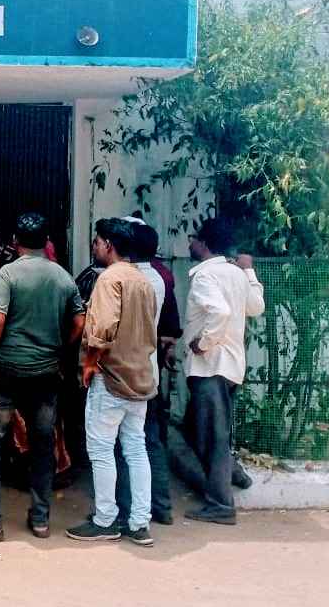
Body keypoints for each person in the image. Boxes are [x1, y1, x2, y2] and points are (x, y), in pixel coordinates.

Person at [0, 211, 84, 541]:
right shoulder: (62, 277)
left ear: (15, 242)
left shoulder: (8, 273)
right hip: (45, 372)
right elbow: (79, 322)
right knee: (43, 444)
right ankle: (40, 519)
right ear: (47, 241)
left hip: (6, 371)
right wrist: (60, 347)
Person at [66, 218, 158, 547]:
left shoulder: (109, 279)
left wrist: (90, 363)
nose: (94, 247)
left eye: (96, 242)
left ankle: (105, 519)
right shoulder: (144, 280)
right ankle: (140, 522)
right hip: (140, 376)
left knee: (102, 450)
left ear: (108, 245)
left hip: (111, 376)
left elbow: (102, 328)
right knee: (136, 448)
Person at [182, 216, 265, 525]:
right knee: (200, 430)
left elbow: (220, 311)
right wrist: (249, 271)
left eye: (193, 237)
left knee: (211, 437)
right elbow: (256, 307)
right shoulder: (236, 273)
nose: (190, 242)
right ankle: (234, 473)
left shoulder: (205, 275)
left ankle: (221, 504)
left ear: (204, 243)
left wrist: (203, 343)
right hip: (230, 366)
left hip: (211, 366)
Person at [114, 218, 175, 526]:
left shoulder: (127, 279)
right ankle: (160, 506)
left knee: (124, 444)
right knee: (149, 440)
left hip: (126, 372)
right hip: (149, 371)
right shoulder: (160, 278)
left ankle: (125, 510)